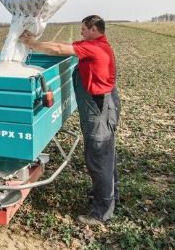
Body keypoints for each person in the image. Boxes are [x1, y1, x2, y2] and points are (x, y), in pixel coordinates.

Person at [20, 15, 120, 226]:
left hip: (100, 107)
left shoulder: (95, 48)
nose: (81, 32)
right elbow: (62, 46)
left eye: (84, 29)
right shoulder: (96, 45)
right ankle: (108, 197)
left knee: (99, 156)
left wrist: (31, 43)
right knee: (105, 154)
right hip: (104, 104)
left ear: (94, 29)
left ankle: (101, 212)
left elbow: (57, 49)